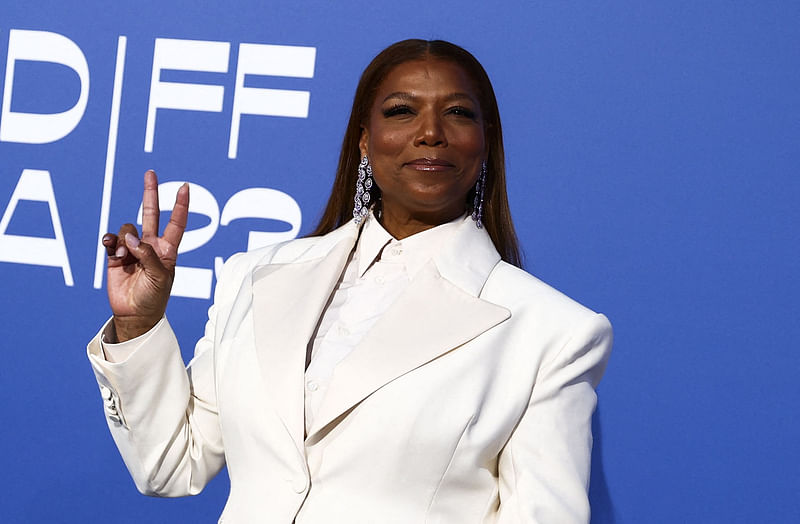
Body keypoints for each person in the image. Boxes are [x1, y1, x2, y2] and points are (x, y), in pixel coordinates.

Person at [87, 39, 612, 523]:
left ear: (485, 143)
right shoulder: (255, 275)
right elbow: (171, 465)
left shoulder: (554, 333)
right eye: (402, 111)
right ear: (365, 140)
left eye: (457, 113)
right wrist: (139, 324)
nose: (430, 132)